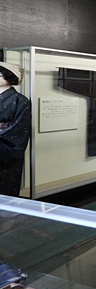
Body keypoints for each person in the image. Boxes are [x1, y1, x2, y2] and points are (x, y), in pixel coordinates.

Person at [0, 62, 31, 197]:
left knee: (5, 184)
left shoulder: (20, 100)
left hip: (4, 147)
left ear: (8, 77)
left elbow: (20, 128)